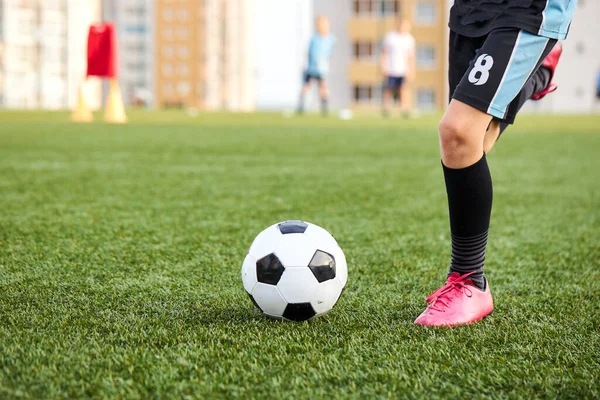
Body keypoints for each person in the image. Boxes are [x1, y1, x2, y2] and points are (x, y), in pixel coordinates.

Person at [414, 0, 577, 327]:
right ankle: (539, 75)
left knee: (457, 132)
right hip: (469, 10)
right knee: (475, 141)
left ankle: (470, 280)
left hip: (526, 8)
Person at [297, 16, 336, 116]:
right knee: (306, 85)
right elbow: (310, 53)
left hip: (322, 69)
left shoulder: (331, 38)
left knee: (323, 87)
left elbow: (329, 52)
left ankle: (324, 108)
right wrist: (307, 65)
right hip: (311, 67)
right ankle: (301, 106)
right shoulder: (314, 38)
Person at [381, 19, 415, 117]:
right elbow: (384, 53)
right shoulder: (390, 37)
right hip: (391, 68)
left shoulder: (409, 39)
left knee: (404, 89)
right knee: (389, 88)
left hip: (403, 69)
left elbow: (411, 57)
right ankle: (386, 108)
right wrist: (384, 66)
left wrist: (411, 70)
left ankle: (405, 109)